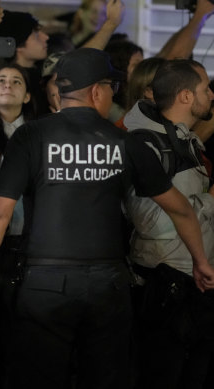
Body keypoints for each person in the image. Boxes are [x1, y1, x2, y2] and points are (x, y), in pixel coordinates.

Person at [0, 47, 214, 389]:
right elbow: (181, 208)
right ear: (97, 91)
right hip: (106, 286)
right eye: (111, 86)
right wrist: (200, 260)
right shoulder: (125, 142)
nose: (113, 93)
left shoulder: (30, 137)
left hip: (43, 286)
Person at [123, 59, 214, 389]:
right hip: (165, 288)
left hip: (193, 284)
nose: (212, 95)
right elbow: (150, 220)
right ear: (187, 97)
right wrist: (211, 199)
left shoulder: (186, 140)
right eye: (206, 89)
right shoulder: (147, 143)